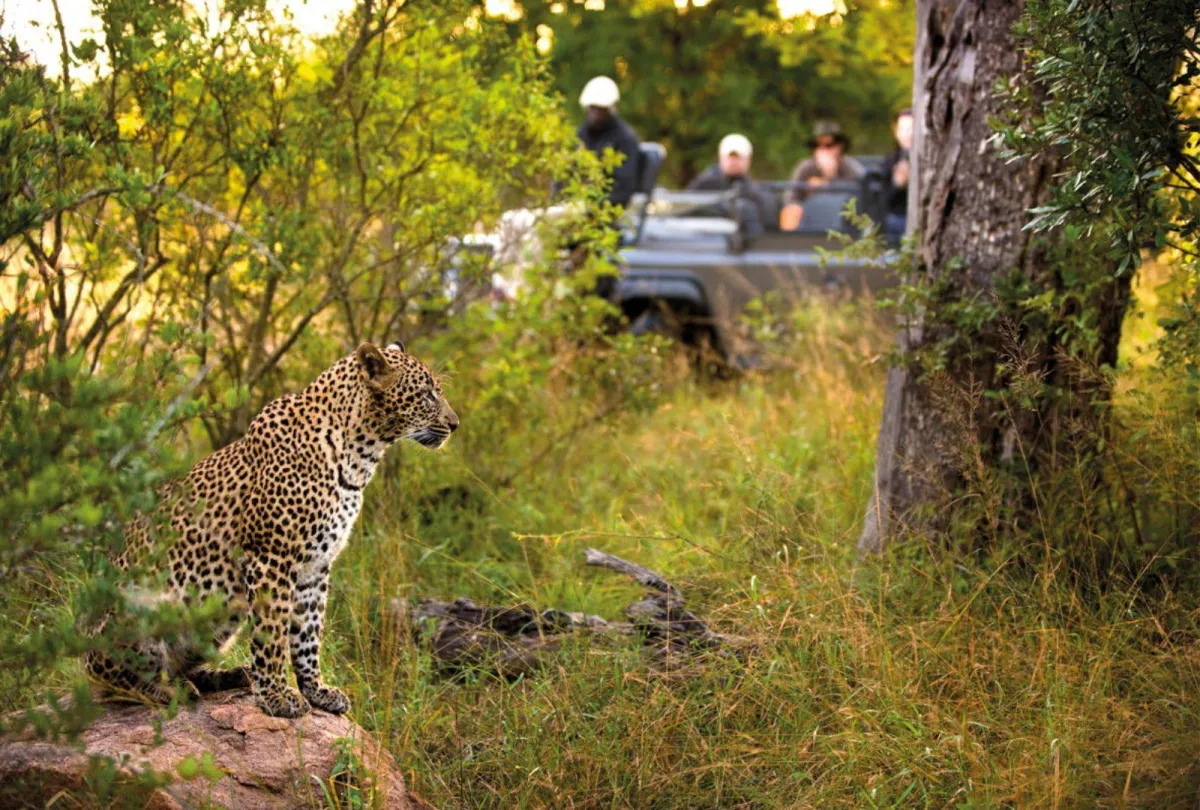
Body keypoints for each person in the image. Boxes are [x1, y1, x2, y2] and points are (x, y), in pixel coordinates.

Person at [779, 121, 865, 231]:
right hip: (809, 221)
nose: (823, 150)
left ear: (840, 146)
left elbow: (860, 198)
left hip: (842, 222)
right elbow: (789, 197)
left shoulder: (851, 167)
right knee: (791, 212)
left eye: (829, 145)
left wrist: (829, 180)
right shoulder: (805, 167)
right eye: (818, 146)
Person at [687, 133, 778, 236]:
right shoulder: (704, 184)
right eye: (730, 157)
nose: (733, 162)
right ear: (721, 158)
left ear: (748, 160)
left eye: (738, 157)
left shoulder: (755, 191)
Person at [576, 75, 641, 209]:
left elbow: (623, 189)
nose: (595, 113)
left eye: (600, 109)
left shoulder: (625, 139)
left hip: (604, 212)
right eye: (592, 108)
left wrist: (593, 208)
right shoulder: (581, 135)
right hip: (577, 207)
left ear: (611, 108)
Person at [880, 108, 913, 243]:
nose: (907, 135)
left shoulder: (931, 160)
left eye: (911, 129)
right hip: (897, 218)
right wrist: (897, 185)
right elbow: (883, 201)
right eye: (903, 129)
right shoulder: (890, 161)